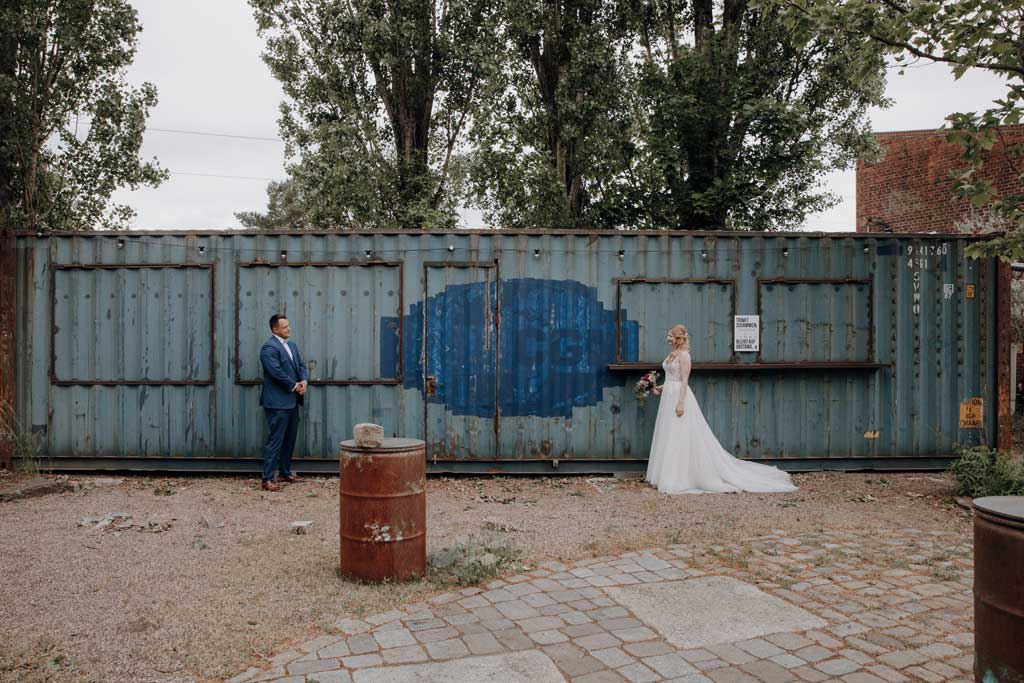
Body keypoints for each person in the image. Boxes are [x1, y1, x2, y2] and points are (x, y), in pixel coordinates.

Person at [646, 324, 797, 494]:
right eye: (668, 335)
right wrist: (655, 387)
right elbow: (671, 380)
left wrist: (680, 403)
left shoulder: (684, 355)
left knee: (679, 434)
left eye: (671, 335)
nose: (668, 338)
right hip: (669, 397)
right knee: (669, 434)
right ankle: (666, 475)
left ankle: (678, 478)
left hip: (679, 397)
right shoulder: (671, 354)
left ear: (679, 338)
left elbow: (684, 381)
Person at [259, 314, 308, 492]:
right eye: (285, 326)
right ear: (275, 329)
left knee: (289, 439)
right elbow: (275, 372)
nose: (289, 329)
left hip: (292, 401)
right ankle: (267, 479)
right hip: (277, 403)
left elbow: (301, 366)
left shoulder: (292, 346)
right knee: (275, 440)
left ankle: (285, 472)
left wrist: (304, 382)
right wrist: (295, 386)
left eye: (289, 325)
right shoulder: (269, 348)